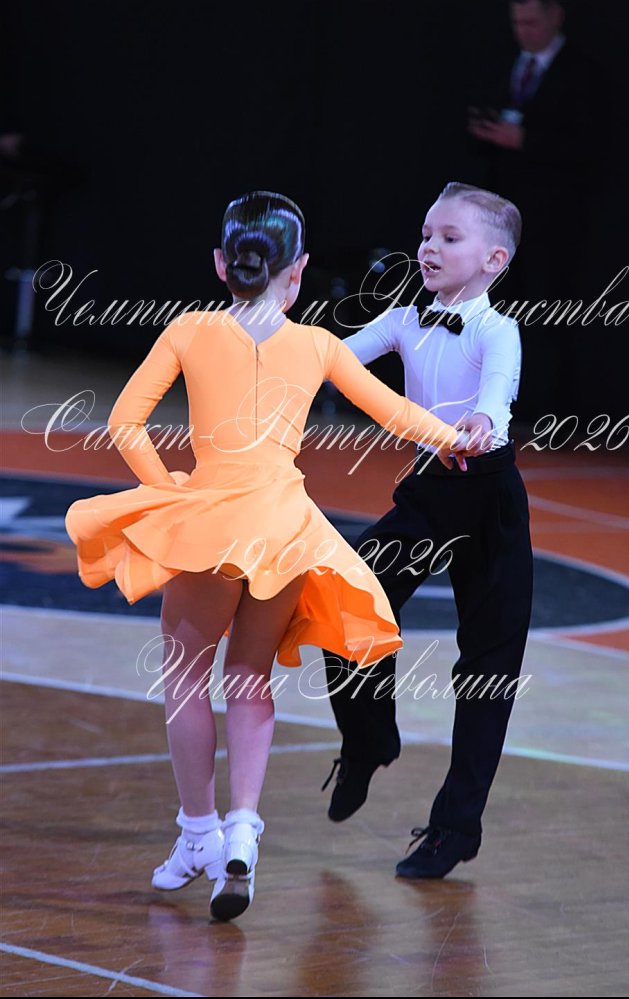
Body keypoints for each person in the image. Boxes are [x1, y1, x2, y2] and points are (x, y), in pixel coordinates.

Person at [64, 190, 478, 922]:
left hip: (213, 526)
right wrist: (455, 439)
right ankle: (243, 830)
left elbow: (126, 423)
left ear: (221, 263)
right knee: (250, 676)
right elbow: (394, 413)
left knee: (186, 678)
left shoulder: (189, 329)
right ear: (300, 269)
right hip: (285, 531)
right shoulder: (318, 344)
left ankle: (198, 831)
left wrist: (168, 494)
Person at [321, 181, 534, 879]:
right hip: (432, 492)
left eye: (449, 237)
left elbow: (495, 391)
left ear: (494, 260)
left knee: (488, 670)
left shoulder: (498, 331)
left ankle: (455, 828)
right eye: (425, 235)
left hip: (490, 496)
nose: (429, 247)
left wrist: (482, 419)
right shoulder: (404, 319)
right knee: (344, 602)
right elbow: (332, 361)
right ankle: (368, 738)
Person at [466, 0, 607, 414]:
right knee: (499, 306)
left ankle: (547, 411)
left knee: (547, 311)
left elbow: (592, 147)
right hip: (502, 217)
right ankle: (495, 403)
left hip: (554, 219)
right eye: (517, 23)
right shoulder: (502, 63)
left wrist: (526, 141)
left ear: (555, 16)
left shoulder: (583, 74)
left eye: (532, 22)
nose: (524, 31)